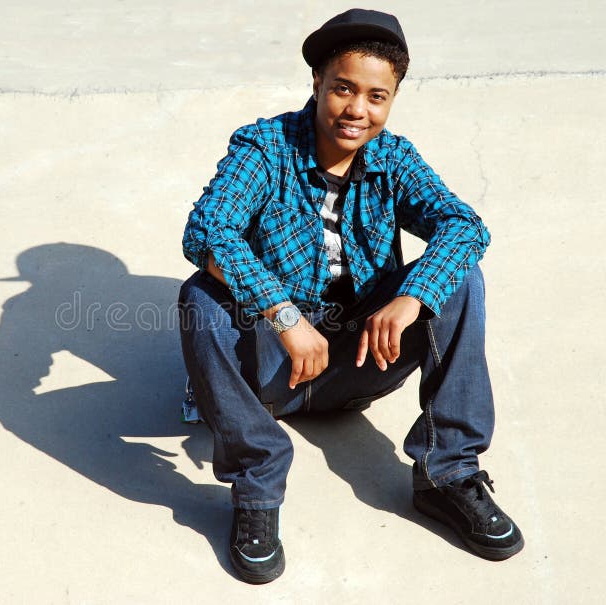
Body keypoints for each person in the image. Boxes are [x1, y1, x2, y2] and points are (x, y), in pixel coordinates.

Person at [178, 8, 524, 584]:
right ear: (317, 83)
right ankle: (257, 487)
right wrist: (283, 313)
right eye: (343, 89)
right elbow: (207, 231)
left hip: (362, 359)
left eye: (376, 96)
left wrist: (412, 295)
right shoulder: (265, 148)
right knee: (202, 298)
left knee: (458, 276)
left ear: (390, 101)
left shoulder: (393, 157)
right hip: (271, 368)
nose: (357, 110)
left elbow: (464, 226)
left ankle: (447, 474)